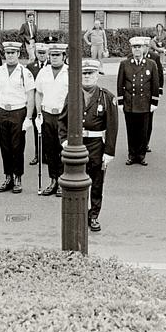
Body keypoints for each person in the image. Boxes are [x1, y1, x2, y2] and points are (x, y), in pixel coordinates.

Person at [58, 59, 118, 231]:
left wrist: (109, 152)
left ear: (97, 75)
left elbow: (112, 127)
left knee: (97, 183)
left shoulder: (107, 97)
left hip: (97, 144)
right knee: (76, 180)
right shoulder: (72, 95)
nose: (87, 77)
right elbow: (62, 121)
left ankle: (93, 216)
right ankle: (79, 214)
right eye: (84, 73)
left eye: (91, 73)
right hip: (77, 144)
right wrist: (64, 141)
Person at [0, 41, 35, 193]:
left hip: (18, 112)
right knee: (5, 146)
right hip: (2, 111)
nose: (10, 55)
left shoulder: (24, 72)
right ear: (5, 54)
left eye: (13, 53)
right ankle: (8, 176)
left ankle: (17, 177)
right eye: (7, 53)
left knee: (17, 146)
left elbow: (30, 95)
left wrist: (28, 117)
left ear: (18, 54)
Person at [117, 36, 160, 166]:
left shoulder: (151, 64)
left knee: (143, 131)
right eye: (134, 47)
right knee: (131, 131)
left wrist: (154, 102)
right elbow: (120, 84)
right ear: (132, 49)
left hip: (144, 103)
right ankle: (131, 154)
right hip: (130, 103)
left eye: (139, 47)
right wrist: (120, 102)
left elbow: (155, 84)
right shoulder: (125, 64)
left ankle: (141, 156)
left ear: (143, 49)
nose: (137, 50)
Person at [35, 42, 68, 196]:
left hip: (63, 116)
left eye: (57, 55)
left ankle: (62, 180)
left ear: (64, 56)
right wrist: (38, 113)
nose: (54, 58)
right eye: (52, 55)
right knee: (50, 150)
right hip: (47, 114)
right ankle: (53, 179)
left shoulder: (70, 72)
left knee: (62, 149)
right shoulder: (44, 72)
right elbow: (39, 93)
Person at [27, 38, 52, 165]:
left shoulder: (51, 66)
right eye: (39, 53)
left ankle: (47, 154)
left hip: (48, 102)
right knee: (37, 129)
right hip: (36, 103)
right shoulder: (31, 67)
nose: (41, 55)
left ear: (47, 53)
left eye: (44, 53)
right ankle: (37, 154)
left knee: (48, 130)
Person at [144, 38, 165, 153]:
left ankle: (146, 143)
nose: (144, 48)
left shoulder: (154, 57)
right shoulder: (131, 57)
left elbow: (159, 74)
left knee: (148, 120)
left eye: (146, 46)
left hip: (150, 93)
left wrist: (159, 90)